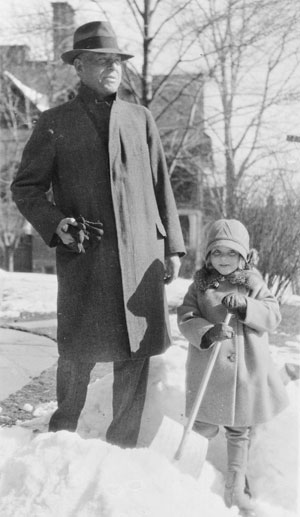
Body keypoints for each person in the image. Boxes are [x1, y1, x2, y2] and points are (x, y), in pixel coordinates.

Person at [11, 21, 185, 448]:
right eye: (100, 60)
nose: (111, 68)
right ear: (79, 66)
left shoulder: (140, 118)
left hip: (144, 252)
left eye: (117, 61)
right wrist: (56, 224)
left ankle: (121, 447)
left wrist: (175, 246)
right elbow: (25, 187)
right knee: (77, 354)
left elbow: (163, 184)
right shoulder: (55, 123)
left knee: (136, 352)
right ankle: (61, 441)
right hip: (87, 257)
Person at [177, 219, 288, 517]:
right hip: (210, 375)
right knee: (202, 426)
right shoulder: (200, 285)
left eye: (231, 253)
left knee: (239, 431)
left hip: (244, 374)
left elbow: (273, 314)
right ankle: (185, 477)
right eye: (217, 253)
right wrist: (207, 331)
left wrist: (247, 308)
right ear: (208, 256)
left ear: (244, 256)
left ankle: (235, 487)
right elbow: (185, 316)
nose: (223, 260)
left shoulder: (252, 282)